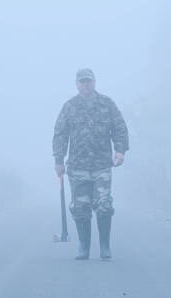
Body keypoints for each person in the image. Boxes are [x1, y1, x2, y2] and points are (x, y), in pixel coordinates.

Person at [52, 68, 129, 260]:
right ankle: (84, 247)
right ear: (77, 84)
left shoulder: (107, 104)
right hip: (77, 166)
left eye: (88, 81)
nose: (85, 84)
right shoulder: (69, 107)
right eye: (82, 82)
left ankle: (104, 247)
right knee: (80, 207)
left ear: (94, 82)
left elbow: (119, 128)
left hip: (102, 165)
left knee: (104, 205)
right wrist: (58, 161)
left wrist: (120, 150)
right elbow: (60, 134)